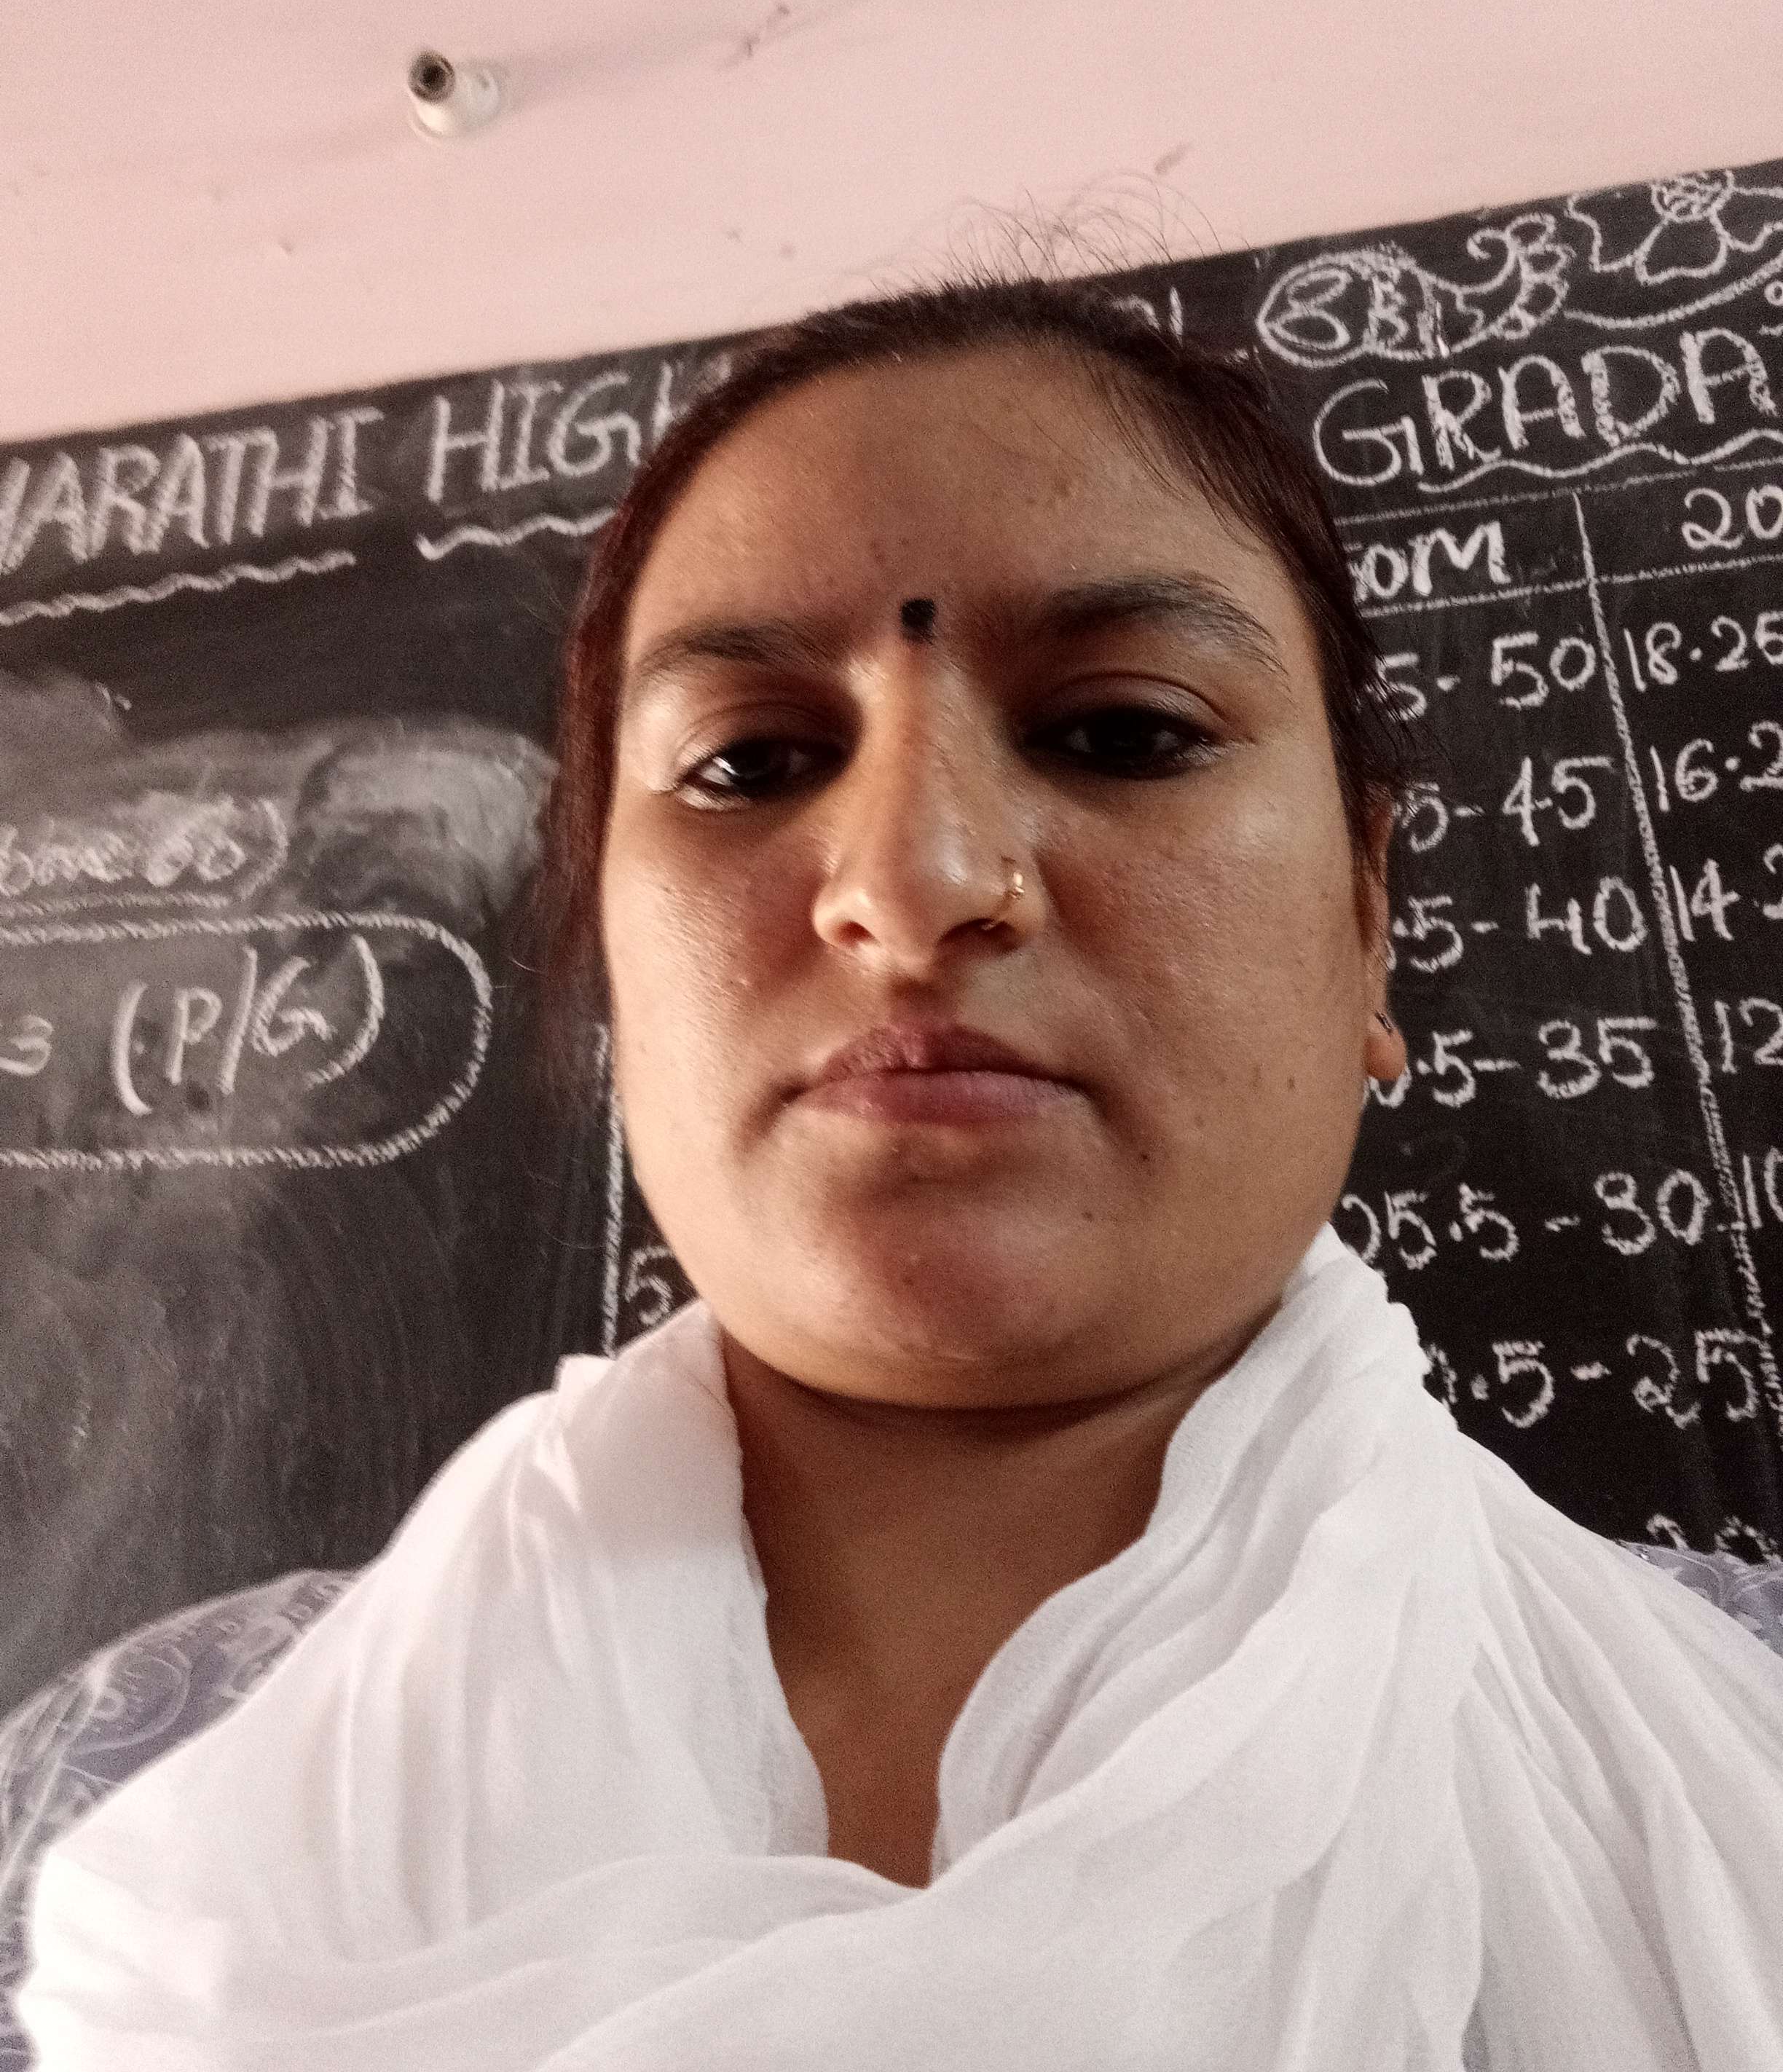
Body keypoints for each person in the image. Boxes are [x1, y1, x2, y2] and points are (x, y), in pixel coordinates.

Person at [15, 277, 1783, 2070]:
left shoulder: (1741, 1747)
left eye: (1124, 730)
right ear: (609, 946)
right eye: (752, 761)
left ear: (1365, 915)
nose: (915, 881)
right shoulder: (120, 1806)